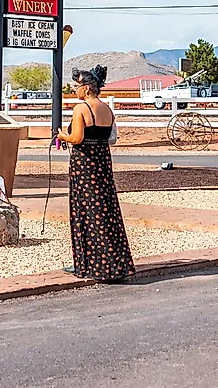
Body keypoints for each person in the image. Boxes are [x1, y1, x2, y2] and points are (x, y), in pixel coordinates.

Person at [55, 64, 135, 283]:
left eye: (77, 86)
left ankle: (89, 265)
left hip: (85, 165)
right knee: (106, 209)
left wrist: (62, 136)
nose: (75, 90)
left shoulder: (81, 109)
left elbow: (77, 138)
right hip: (102, 161)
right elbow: (109, 137)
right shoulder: (107, 110)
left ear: (88, 88)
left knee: (87, 211)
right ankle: (114, 264)